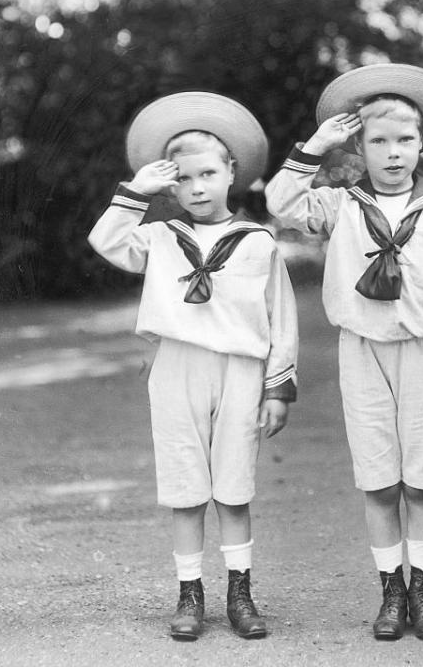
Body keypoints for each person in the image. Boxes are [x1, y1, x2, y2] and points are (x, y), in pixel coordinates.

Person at [265, 64, 423, 642]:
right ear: (359, 146)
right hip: (361, 351)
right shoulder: (340, 206)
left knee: (420, 479)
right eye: (379, 141)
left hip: (422, 353)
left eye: (405, 141)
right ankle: (390, 591)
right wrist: (316, 147)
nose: (394, 153)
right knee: (378, 479)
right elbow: (280, 202)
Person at [88, 92, 298, 641]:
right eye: (183, 179)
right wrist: (137, 192)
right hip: (178, 367)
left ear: (232, 173)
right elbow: (104, 241)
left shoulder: (256, 243)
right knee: (184, 484)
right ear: (170, 185)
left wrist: (279, 388)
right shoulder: (160, 238)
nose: (197, 187)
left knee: (233, 485)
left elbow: (282, 318)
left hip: (240, 370)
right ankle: (189, 593)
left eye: (208, 173)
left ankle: (240, 592)